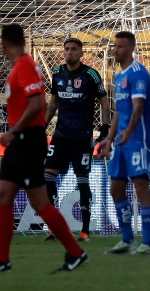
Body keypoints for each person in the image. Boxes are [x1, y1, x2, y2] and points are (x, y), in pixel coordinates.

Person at [0, 24, 87, 274]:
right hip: (21, 141)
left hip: (27, 140)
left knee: (38, 202)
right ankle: (1, 260)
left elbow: (37, 104)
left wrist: (14, 131)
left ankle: (76, 252)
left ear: (4, 44)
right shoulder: (21, 66)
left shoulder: (25, 66)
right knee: (5, 196)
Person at [44, 37, 111, 243]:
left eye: (74, 49)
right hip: (61, 136)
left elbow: (104, 102)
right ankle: (55, 227)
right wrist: (42, 127)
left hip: (81, 137)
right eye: (67, 49)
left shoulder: (90, 74)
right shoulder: (57, 73)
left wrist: (105, 128)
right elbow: (53, 103)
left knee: (82, 180)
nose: (70, 52)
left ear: (81, 53)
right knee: (47, 176)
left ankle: (84, 230)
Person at [95, 31, 150, 255]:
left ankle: (147, 244)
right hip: (121, 141)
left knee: (141, 187)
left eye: (119, 47)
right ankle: (127, 239)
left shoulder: (138, 74)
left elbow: (138, 107)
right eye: (114, 46)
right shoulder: (118, 77)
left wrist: (129, 132)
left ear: (130, 49)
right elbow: (119, 112)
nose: (115, 50)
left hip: (138, 140)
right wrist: (109, 139)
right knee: (115, 189)